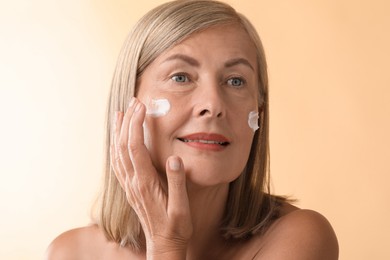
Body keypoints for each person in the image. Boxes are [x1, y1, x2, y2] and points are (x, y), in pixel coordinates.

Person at [46, 0, 339, 259]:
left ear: (259, 112)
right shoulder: (70, 254)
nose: (213, 104)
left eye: (236, 81)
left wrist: (166, 246)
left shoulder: (300, 239)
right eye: (181, 77)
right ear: (129, 104)